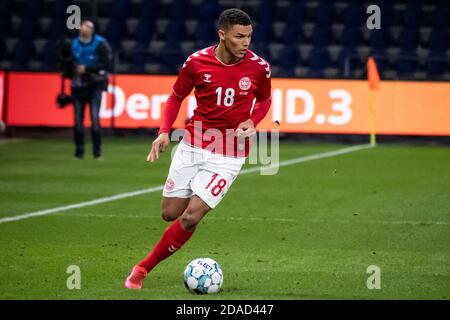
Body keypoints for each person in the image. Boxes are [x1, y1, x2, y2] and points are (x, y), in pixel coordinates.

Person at [125, 8, 272, 289]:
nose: (246, 43)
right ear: (222, 35)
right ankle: (195, 192)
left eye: (249, 37)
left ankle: (142, 268)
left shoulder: (259, 67)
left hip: (229, 153)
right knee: (170, 213)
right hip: (193, 145)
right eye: (239, 36)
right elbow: (176, 96)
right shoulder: (196, 62)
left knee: (191, 216)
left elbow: (264, 100)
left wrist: (253, 121)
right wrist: (164, 132)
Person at [70, 20, 112, 159]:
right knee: (77, 120)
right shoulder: (73, 43)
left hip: (95, 86)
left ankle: (97, 152)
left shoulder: (100, 43)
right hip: (77, 87)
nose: (84, 28)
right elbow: (65, 62)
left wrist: (86, 69)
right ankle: (79, 152)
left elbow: (106, 63)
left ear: (92, 30)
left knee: (95, 119)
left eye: (88, 26)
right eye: (83, 25)